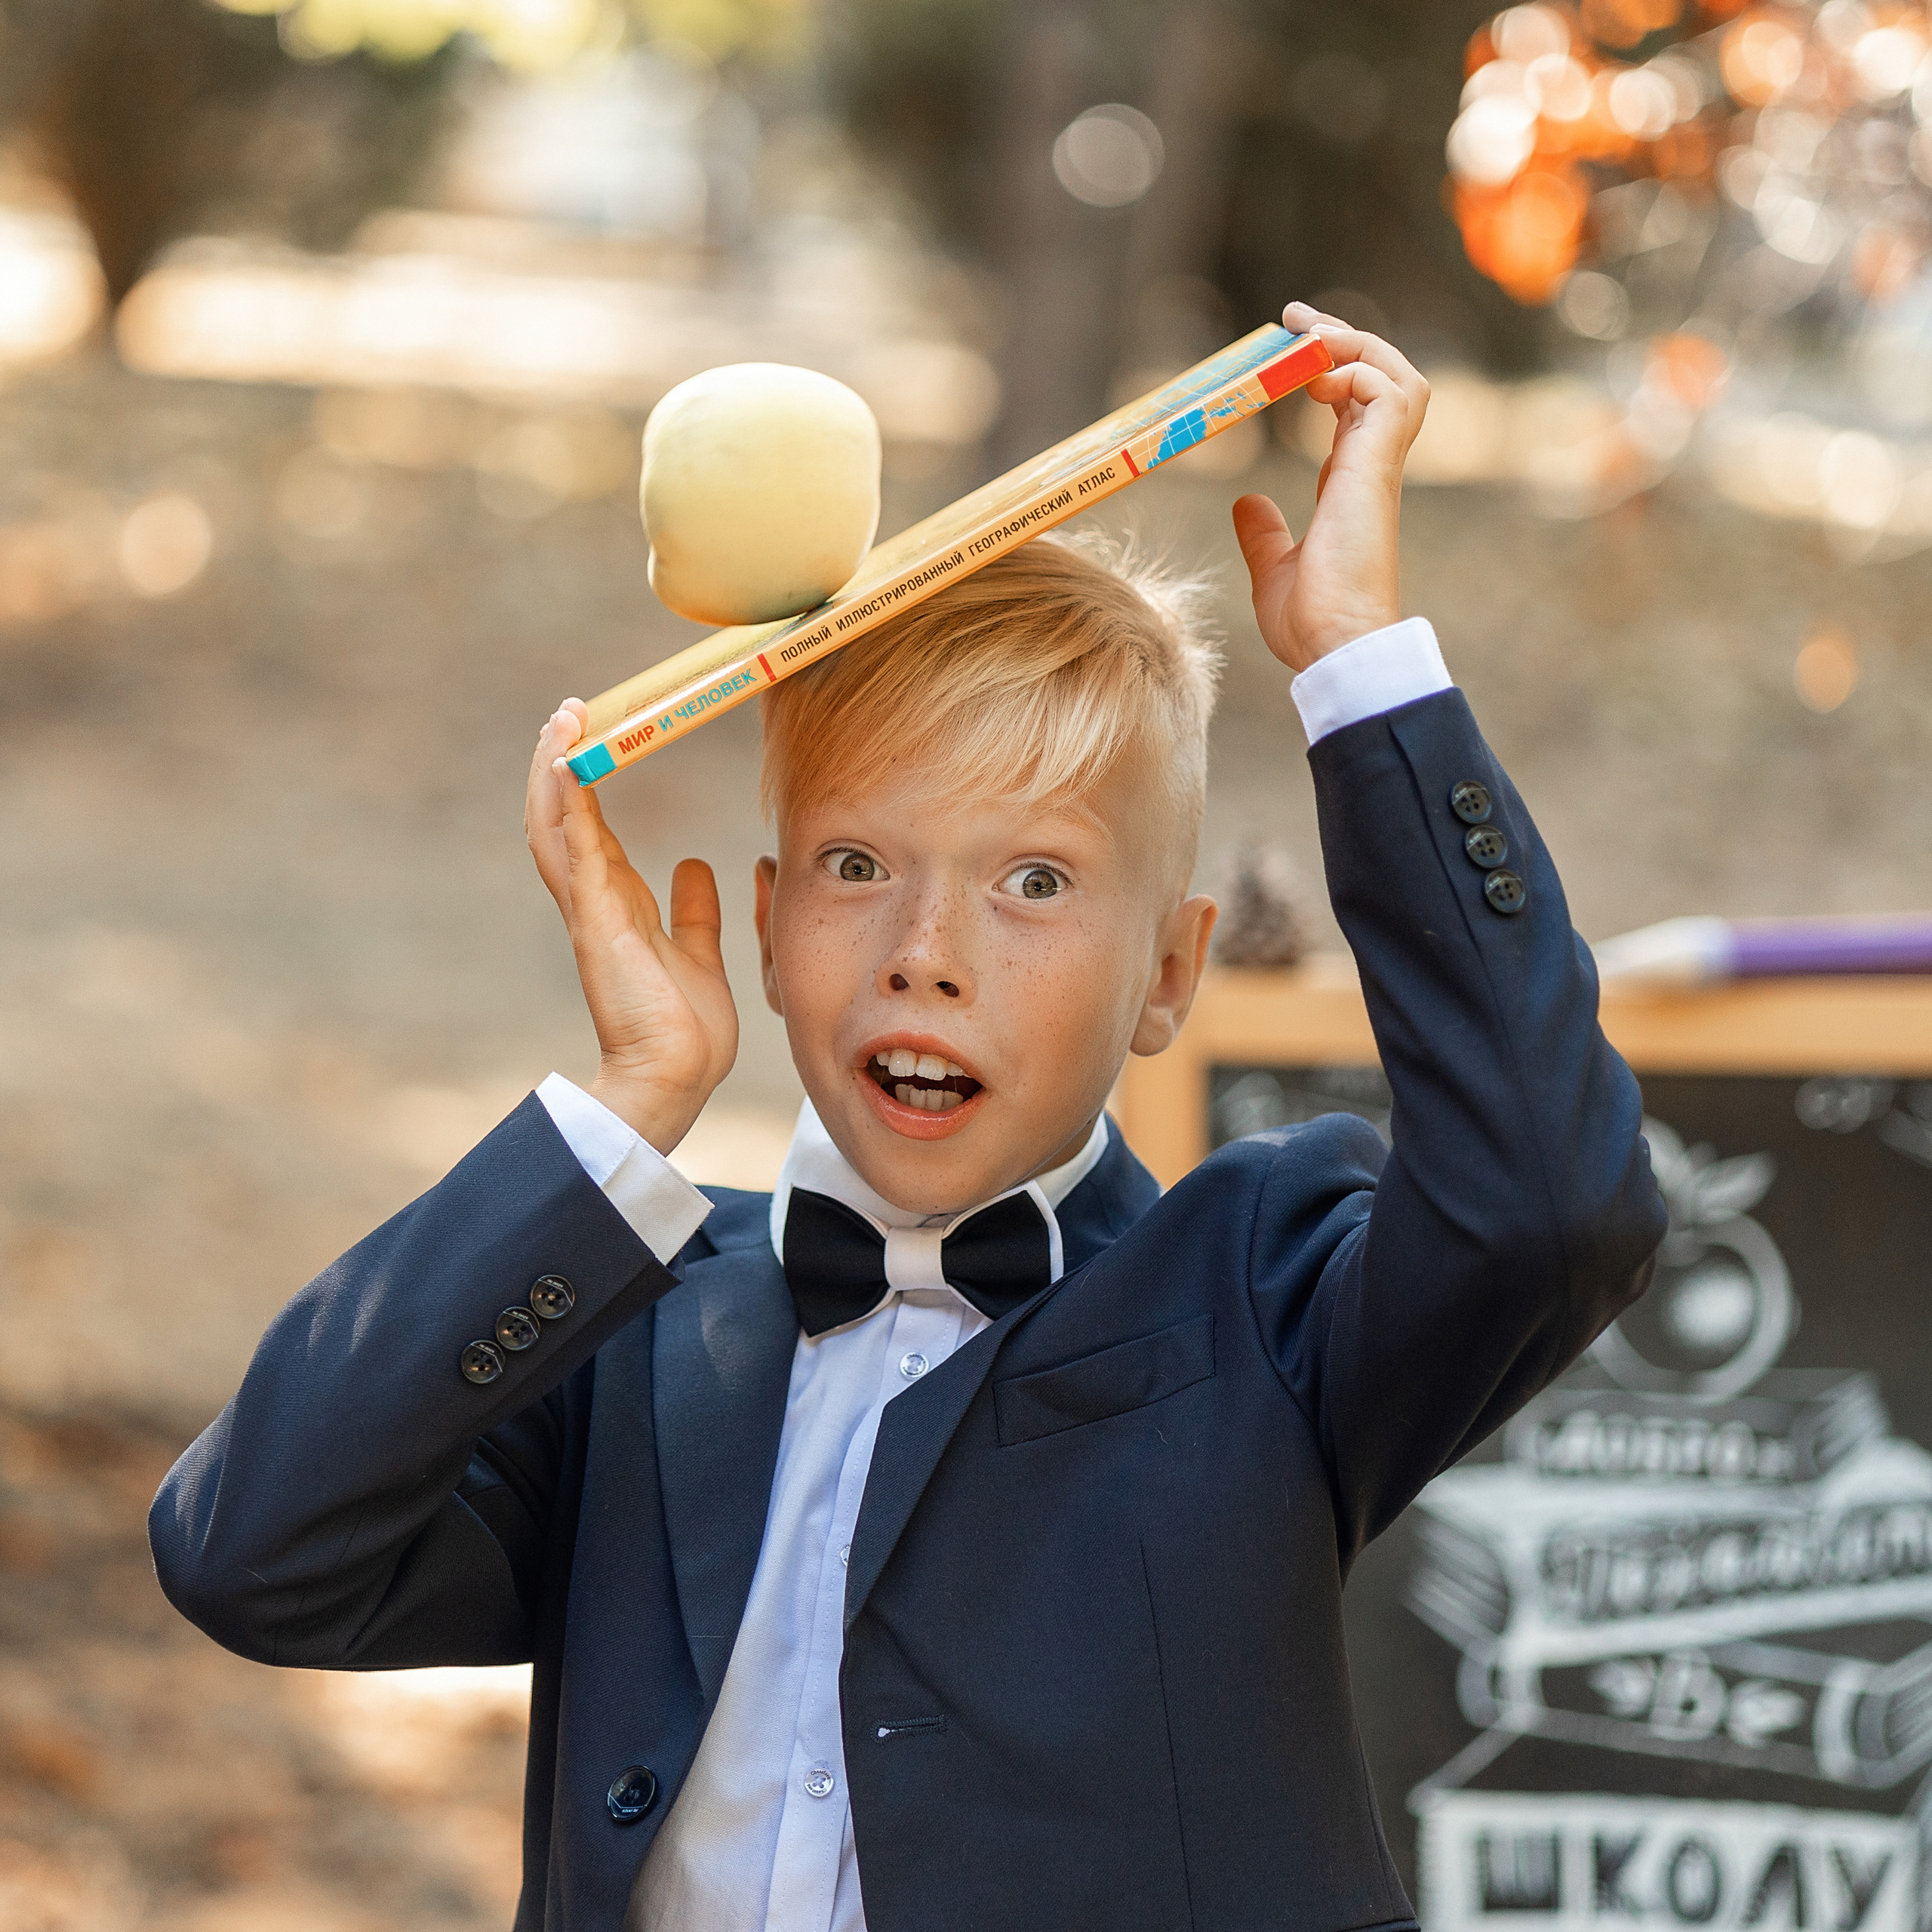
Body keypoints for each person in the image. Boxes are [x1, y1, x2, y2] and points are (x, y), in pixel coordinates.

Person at [149, 303, 1666, 1932]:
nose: (925, 952)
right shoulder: (634, 1333)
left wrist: (1358, 666)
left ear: (1168, 975)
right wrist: (627, 1105)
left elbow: (1548, 1203)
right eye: (858, 864)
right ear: (768, 925)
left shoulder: (1263, 1298)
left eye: (1034, 882)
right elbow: (254, 1549)